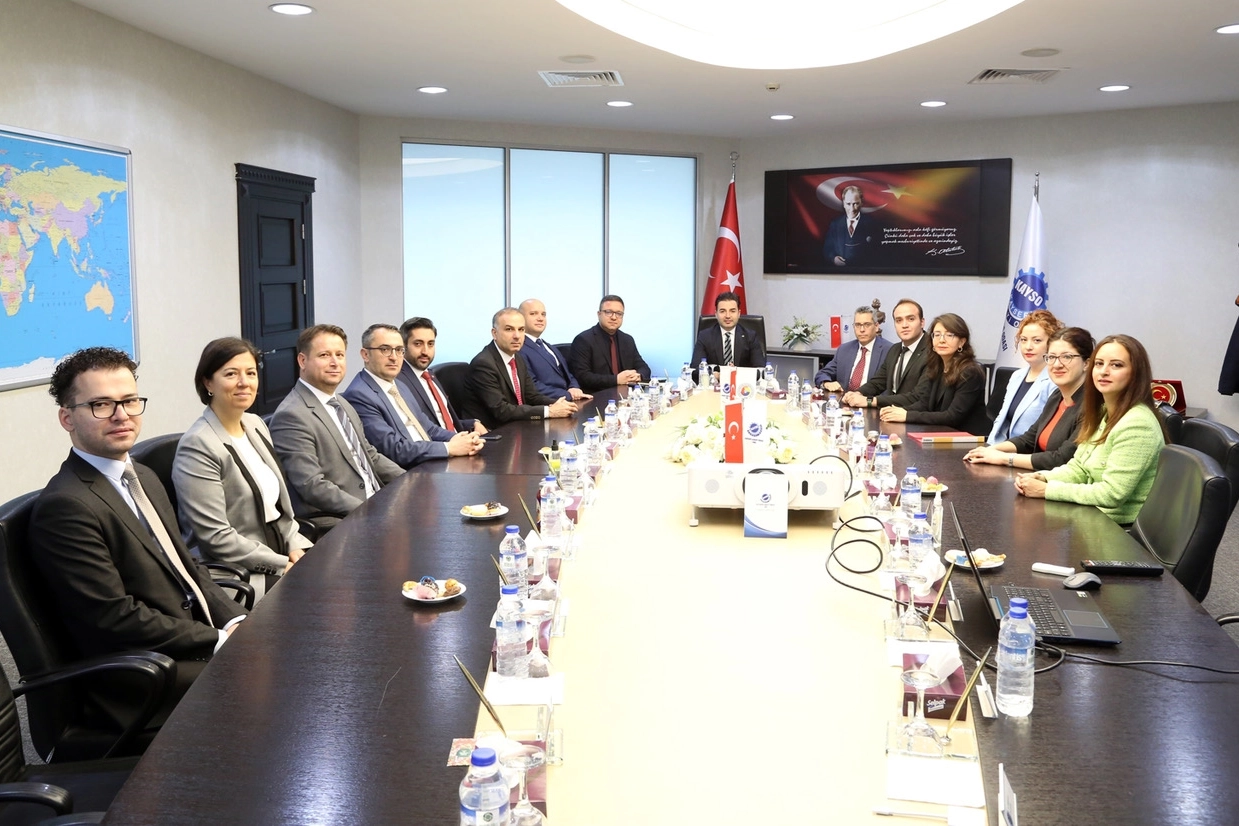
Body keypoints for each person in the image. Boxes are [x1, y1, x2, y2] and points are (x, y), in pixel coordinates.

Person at [29, 347, 246, 723]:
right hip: (141, 672)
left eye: (129, 401)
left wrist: (234, 621)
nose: (121, 415)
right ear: (67, 418)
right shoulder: (66, 506)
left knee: (281, 647)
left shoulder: (142, 476)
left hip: (183, 638)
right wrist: (217, 641)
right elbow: (115, 618)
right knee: (267, 677)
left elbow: (187, 566)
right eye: (101, 405)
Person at [173, 337, 313, 600]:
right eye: (231, 374)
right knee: (317, 597)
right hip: (234, 572)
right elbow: (216, 537)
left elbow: (278, 508)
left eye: (250, 373)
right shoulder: (198, 445)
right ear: (207, 382)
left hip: (276, 550)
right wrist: (281, 564)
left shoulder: (255, 424)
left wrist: (295, 546)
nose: (244, 382)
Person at [1014, 334, 1167, 525]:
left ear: (1136, 373)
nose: (1104, 371)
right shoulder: (1102, 412)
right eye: (1099, 363)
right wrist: (1044, 477)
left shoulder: (1138, 424)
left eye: (1116, 365)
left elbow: (1111, 494)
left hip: (1116, 529)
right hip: (1089, 517)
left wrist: (1047, 490)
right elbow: (1079, 468)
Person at [270, 324, 403, 530]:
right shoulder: (291, 415)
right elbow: (312, 485)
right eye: (324, 355)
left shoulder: (341, 402)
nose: (335, 363)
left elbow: (369, 455)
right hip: (343, 520)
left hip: (377, 502)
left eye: (339, 355)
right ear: (302, 361)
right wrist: (371, 510)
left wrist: (411, 480)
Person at [342, 323, 484, 468]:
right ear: (365, 354)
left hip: (432, 461)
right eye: (385, 349)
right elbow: (394, 449)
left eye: (399, 350)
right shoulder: (359, 395)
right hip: (410, 472)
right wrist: (449, 448)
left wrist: (462, 439)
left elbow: (429, 428)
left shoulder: (399, 385)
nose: (394, 357)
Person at [964, 327, 1095, 471]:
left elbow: (1061, 459)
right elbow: (1029, 439)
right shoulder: (1057, 396)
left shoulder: (1092, 405)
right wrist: (989, 450)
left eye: (1067, 357)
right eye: (1051, 357)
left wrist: (1003, 458)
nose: (1057, 364)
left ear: (1086, 363)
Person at [463, 308, 579, 429]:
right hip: (492, 432)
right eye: (509, 329)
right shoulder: (483, 364)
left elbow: (532, 396)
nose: (517, 336)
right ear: (494, 333)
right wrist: (548, 411)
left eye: (521, 329)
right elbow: (501, 410)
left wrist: (558, 404)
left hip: (517, 425)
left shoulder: (517, 357)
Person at [879, 313, 991, 435]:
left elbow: (952, 417)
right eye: (937, 335)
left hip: (969, 437)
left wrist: (907, 415)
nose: (941, 340)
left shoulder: (970, 372)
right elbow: (924, 404)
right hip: (942, 433)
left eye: (949, 335)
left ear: (961, 342)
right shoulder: (936, 367)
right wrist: (897, 411)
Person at [396, 316, 487, 435]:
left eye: (430, 344)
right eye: (418, 344)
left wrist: (472, 423)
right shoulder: (399, 381)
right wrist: (457, 439)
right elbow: (420, 429)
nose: (425, 351)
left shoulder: (429, 375)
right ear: (403, 346)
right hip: (440, 444)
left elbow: (443, 421)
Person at [987, 309, 1063, 444]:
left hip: (1029, 450)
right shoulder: (1016, 376)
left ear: (1051, 343)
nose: (1028, 346)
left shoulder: (1055, 380)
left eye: (1037, 340)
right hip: (1004, 448)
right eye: (1023, 340)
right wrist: (989, 447)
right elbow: (1001, 419)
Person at [843, 298, 929, 409]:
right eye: (899, 320)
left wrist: (870, 401)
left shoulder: (932, 351)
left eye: (911, 319)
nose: (904, 325)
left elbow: (918, 396)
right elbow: (879, 382)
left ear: (922, 322)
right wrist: (857, 393)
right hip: (890, 414)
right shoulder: (895, 349)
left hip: (916, 416)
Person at [569, 295, 652, 392]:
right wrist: (616, 379)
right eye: (608, 312)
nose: (614, 317)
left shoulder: (627, 340)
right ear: (599, 314)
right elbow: (583, 377)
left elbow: (644, 368)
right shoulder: (583, 340)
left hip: (626, 395)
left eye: (619, 313)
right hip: (597, 395)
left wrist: (638, 376)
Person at [518, 298, 592, 402]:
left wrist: (574, 387)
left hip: (569, 401)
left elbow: (568, 374)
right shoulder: (519, 348)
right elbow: (532, 385)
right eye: (533, 314)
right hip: (548, 404)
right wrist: (568, 395)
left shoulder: (549, 347)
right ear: (520, 318)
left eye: (543, 314)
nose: (540, 318)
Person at [690, 290, 766, 382]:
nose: (728, 316)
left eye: (732, 311)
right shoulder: (705, 336)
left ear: (739, 313)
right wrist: (716, 375)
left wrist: (735, 373)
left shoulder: (750, 336)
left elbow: (761, 371)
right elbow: (695, 369)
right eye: (722, 311)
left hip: (742, 387)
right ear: (716, 314)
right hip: (714, 387)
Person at [814, 305, 891, 392]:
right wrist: (826, 383)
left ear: (876, 326)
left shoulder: (889, 350)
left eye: (867, 325)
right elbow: (822, 374)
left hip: (870, 399)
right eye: (857, 325)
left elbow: (891, 388)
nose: (862, 330)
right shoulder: (844, 349)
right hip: (844, 398)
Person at [823, 185, 880, 267]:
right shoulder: (835, 224)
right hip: (841, 272)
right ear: (843, 203)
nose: (852, 209)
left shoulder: (872, 224)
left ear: (861, 203)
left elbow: (878, 251)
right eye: (848, 204)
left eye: (855, 204)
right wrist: (834, 258)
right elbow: (827, 249)